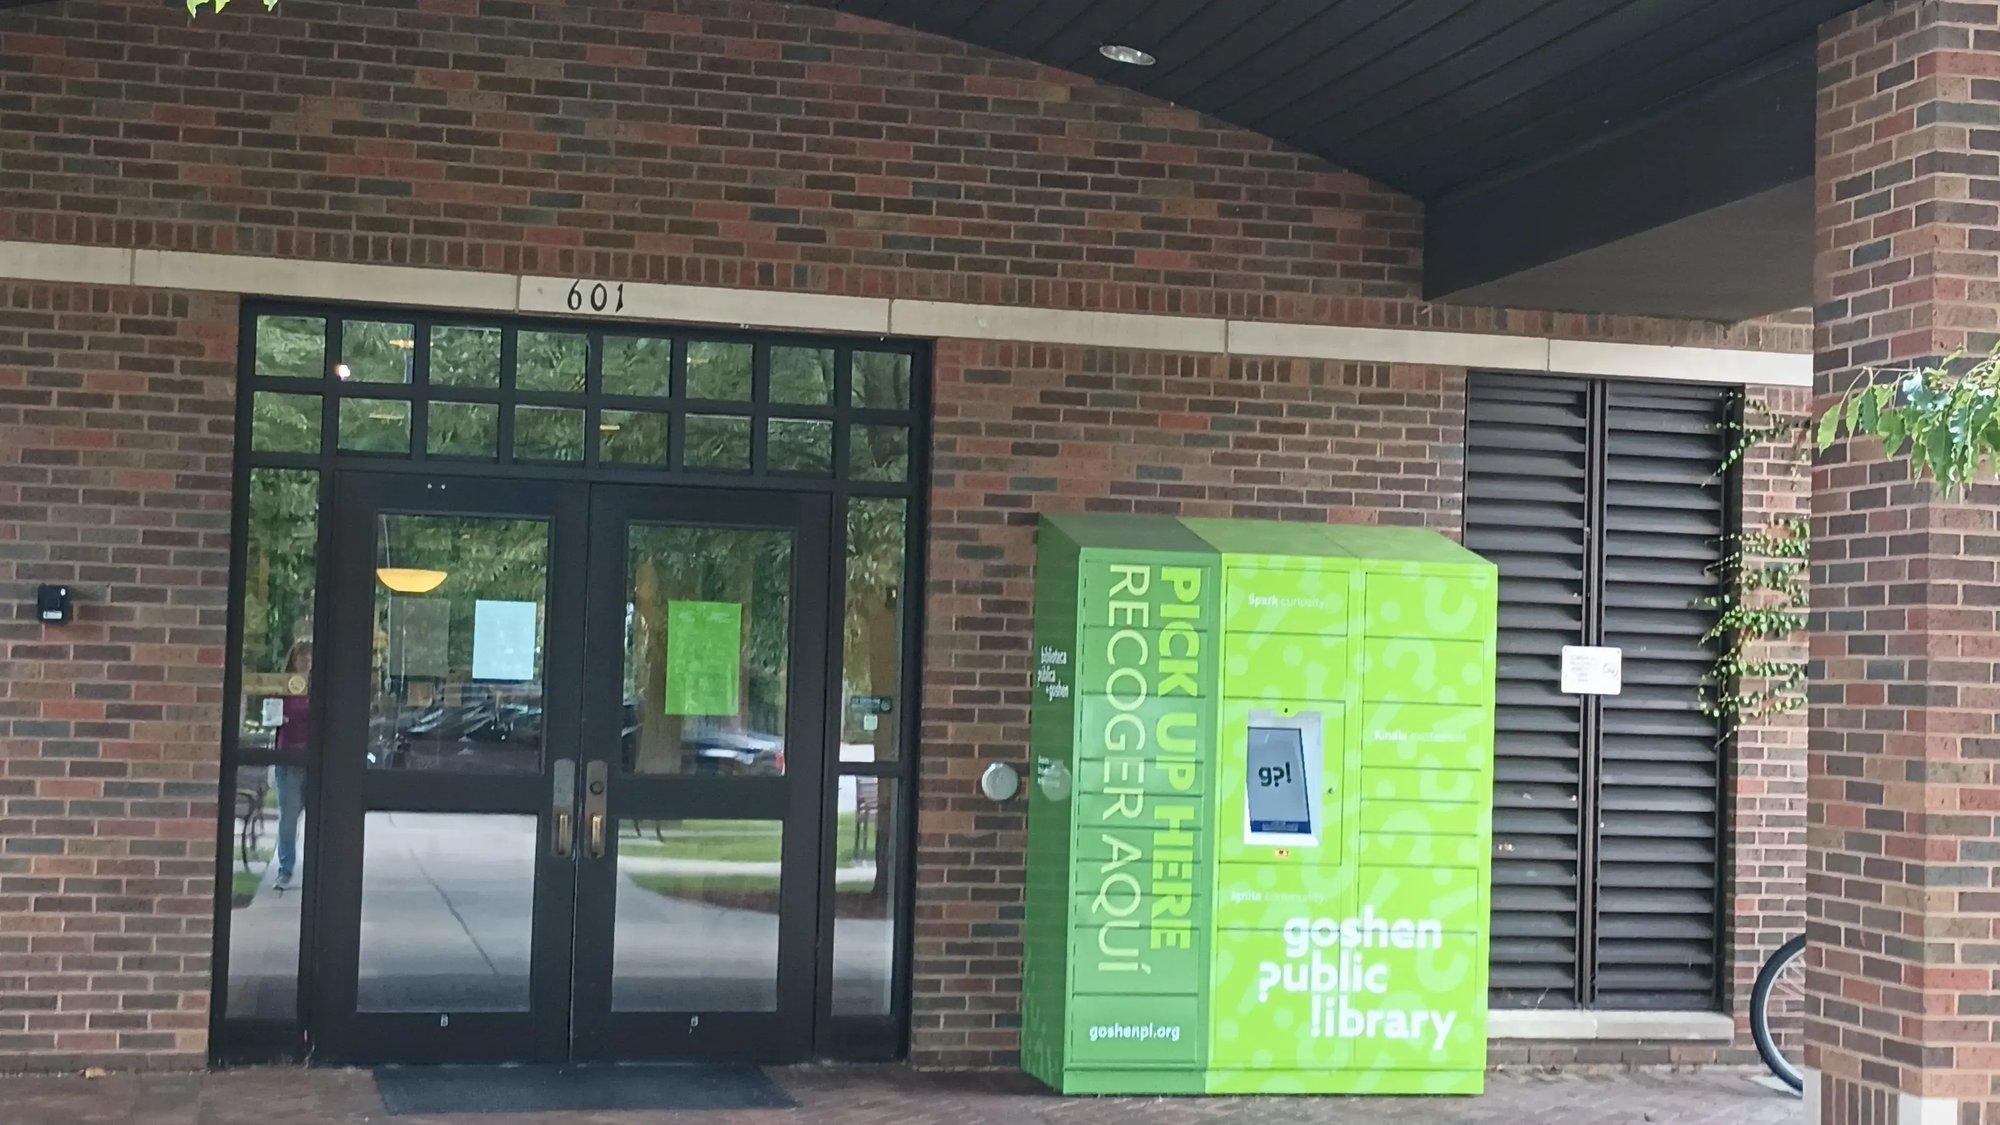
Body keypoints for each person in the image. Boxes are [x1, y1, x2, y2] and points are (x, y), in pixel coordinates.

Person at [271, 640, 312, 889]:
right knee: (289, 818)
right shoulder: (284, 687)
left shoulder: (321, 687)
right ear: (293, 660)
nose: (306, 662)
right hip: (288, 758)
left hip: (314, 758)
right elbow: (272, 716)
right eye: (302, 657)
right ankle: (285, 869)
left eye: (310, 658)